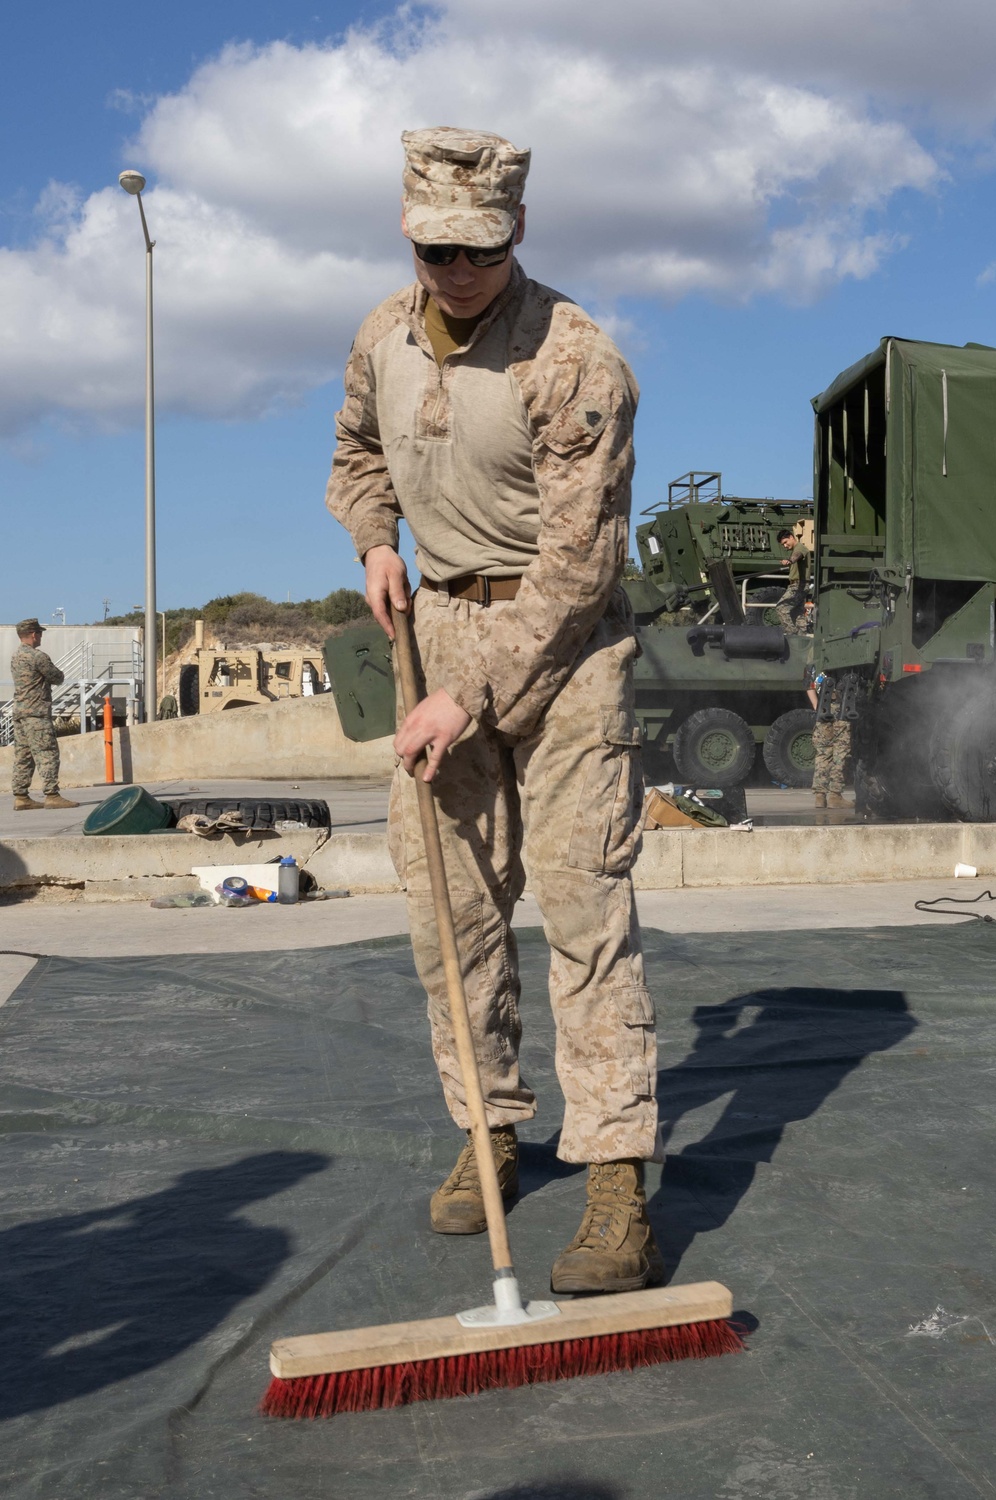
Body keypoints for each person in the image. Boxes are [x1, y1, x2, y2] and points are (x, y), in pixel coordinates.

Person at [327, 127, 662, 1294]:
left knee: (581, 912)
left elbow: (579, 567)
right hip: (440, 626)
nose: (454, 271)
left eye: (476, 250)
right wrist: (375, 540)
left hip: (566, 649)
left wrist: (470, 694)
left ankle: (616, 1180)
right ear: (407, 233)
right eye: (434, 249)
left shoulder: (577, 362)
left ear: (517, 232)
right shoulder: (381, 335)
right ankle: (490, 1131)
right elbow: (358, 453)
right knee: (449, 915)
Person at [10, 618, 79, 811]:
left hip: (20, 713)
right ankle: (52, 795)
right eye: (39, 633)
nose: (40, 637)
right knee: (47, 753)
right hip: (37, 714)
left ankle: (21, 797)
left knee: (23, 756)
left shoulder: (16, 657)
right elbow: (57, 677)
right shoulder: (37, 657)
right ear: (33, 634)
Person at [812, 676, 852, 809]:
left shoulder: (816, 657)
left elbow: (808, 682)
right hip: (842, 707)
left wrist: (817, 707)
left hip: (823, 707)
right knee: (840, 752)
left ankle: (820, 796)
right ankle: (835, 795)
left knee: (823, 753)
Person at [775, 528, 810, 635]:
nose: (785, 546)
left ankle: (791, 634)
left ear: (791, 537)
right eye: (783, 544)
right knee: (797, 613)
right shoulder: (796, 549)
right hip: (800, 585)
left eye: (785, 542)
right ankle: (803, 640)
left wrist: (790, 560)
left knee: (781, 608)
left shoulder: (800, 548)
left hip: (798, 585)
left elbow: (797, 555)